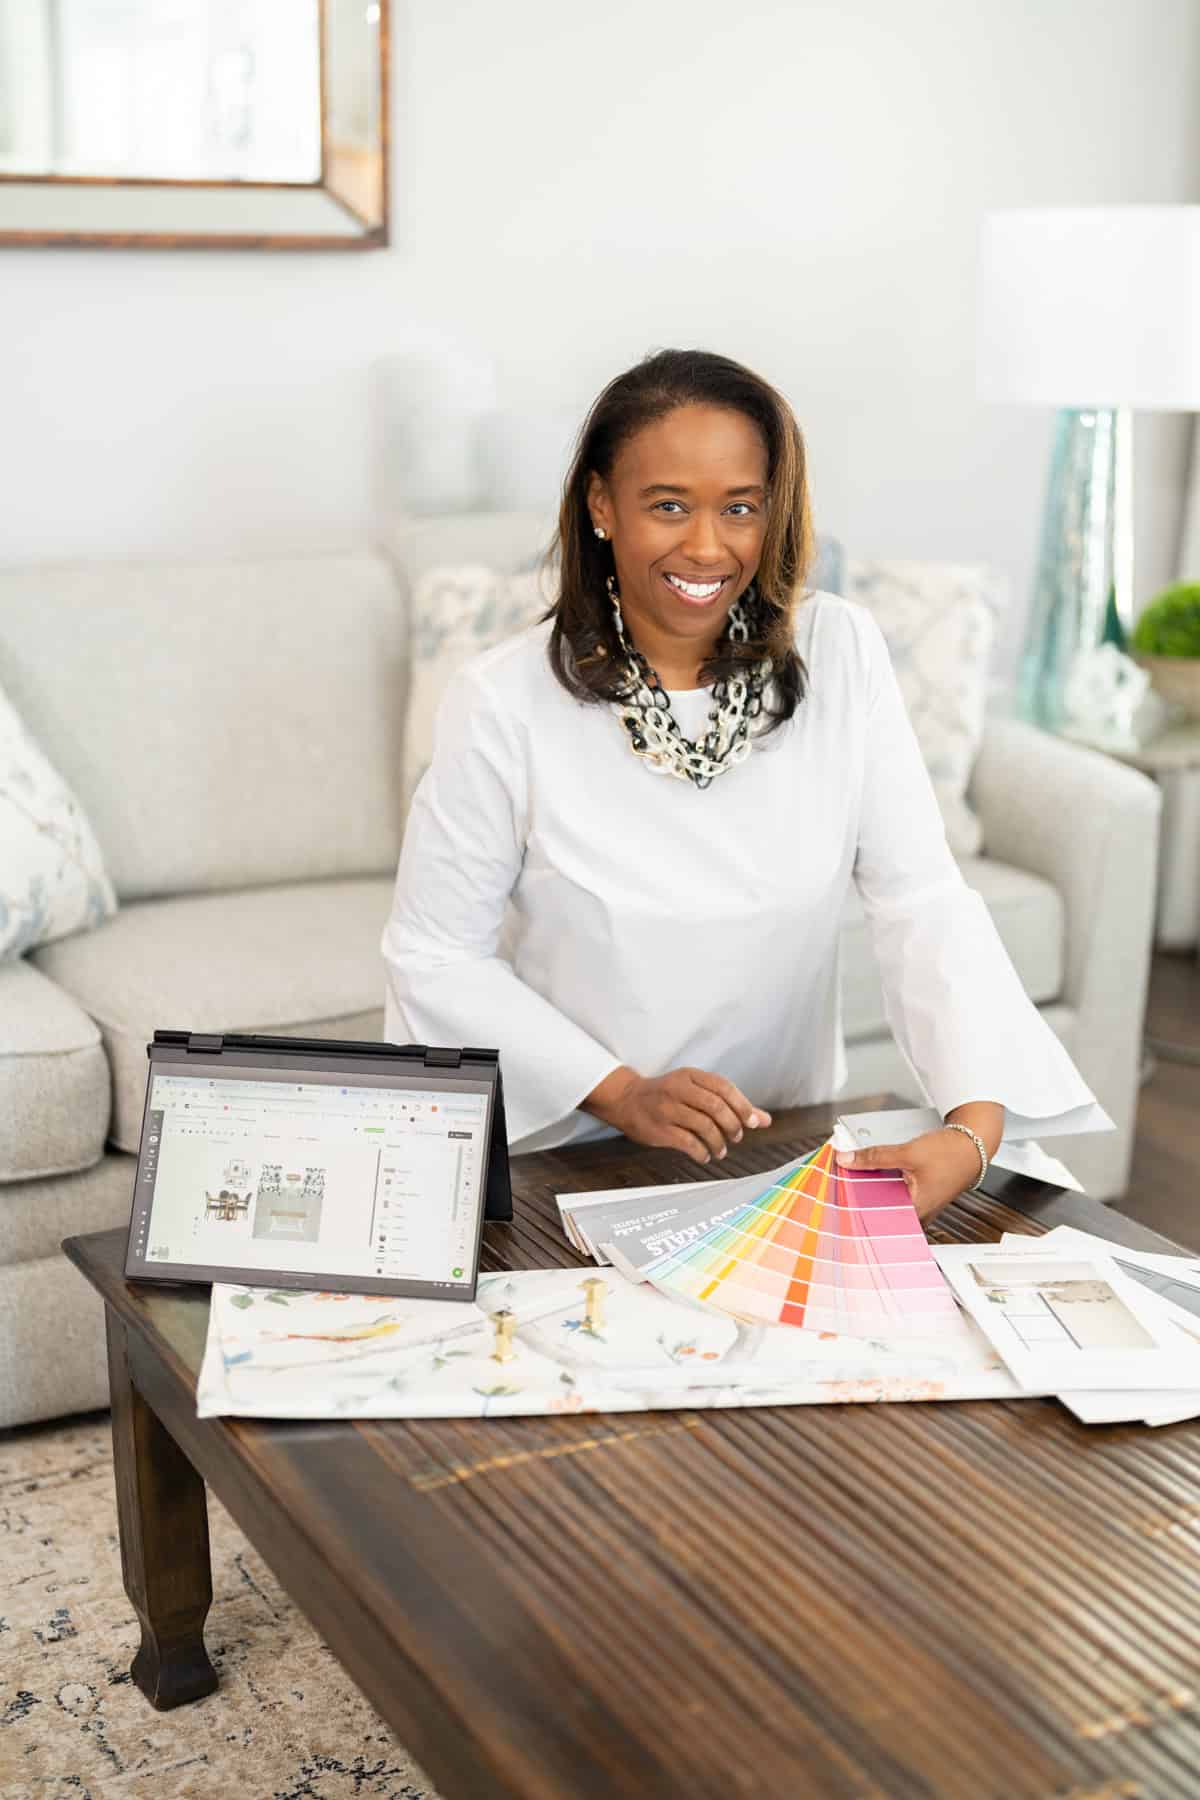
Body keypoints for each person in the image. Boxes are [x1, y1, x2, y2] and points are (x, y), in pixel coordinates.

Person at [382, 349, 1106, 1220]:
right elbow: (436, 955)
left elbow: (922, 901)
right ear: (602, 505)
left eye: (739, 508)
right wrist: (619, 1092)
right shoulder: (502, 699)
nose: (706, 546)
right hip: (576, 1152)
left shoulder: (839, 651)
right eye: (669, 506)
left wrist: (972, 1128)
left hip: (784, 1141)